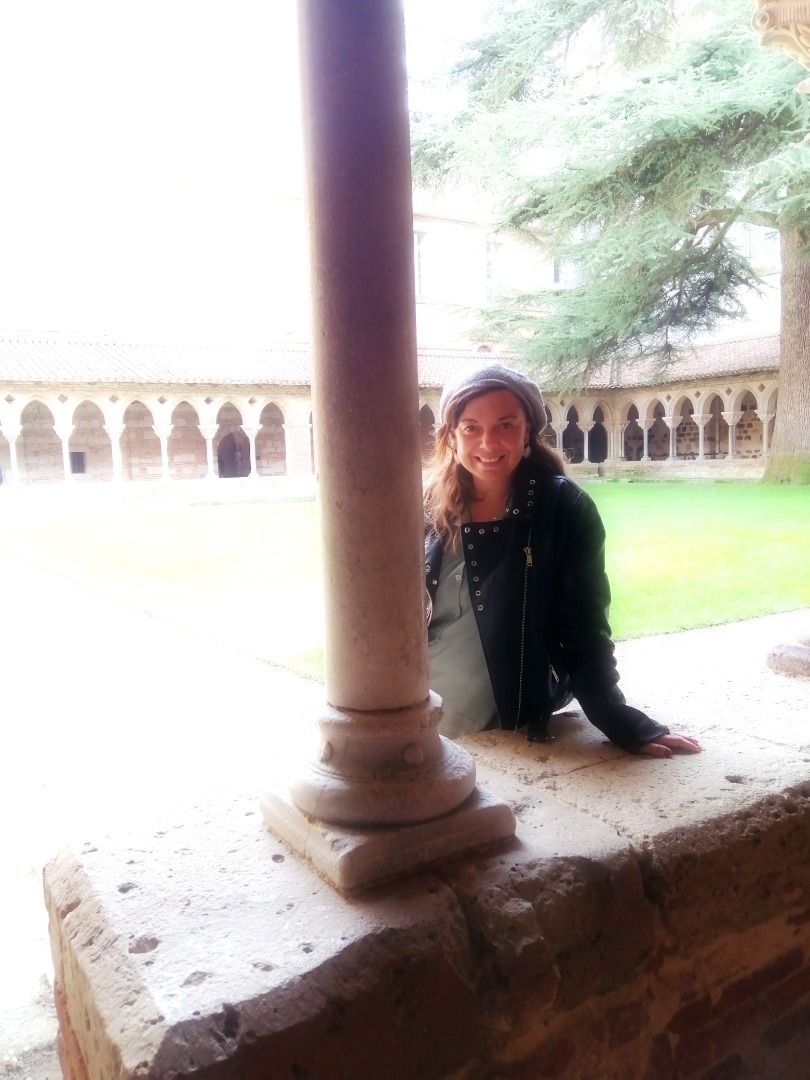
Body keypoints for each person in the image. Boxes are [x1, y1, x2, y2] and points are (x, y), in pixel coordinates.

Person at [423, 363, 701, 758]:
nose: (488, 442)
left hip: (499, 721)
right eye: (471, 427)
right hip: (416, 713)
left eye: (505, 425)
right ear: (451, 435)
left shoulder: (563, 508)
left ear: (527, 432)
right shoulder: (427, 505)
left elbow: (583, 625)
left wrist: (615, 716)